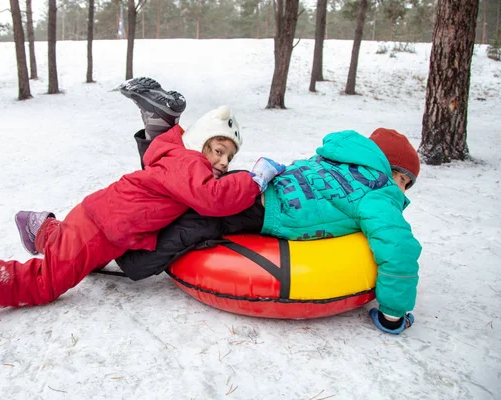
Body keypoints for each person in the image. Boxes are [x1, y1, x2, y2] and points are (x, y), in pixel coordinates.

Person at [0, 84, 287, 326]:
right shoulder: (190, 164)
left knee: (75, 249)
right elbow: (214, 199)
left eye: (230, 157)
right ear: (202, 142)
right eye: (219, 150)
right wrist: (254, 179)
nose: (224, 163)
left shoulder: (173, 154)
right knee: (45, 282)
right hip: (103, 230)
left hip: (98, 217)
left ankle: (40, 228)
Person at [112, 77, 422, 335]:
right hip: (264, 210)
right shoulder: (380, 192)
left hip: (252, 183)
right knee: (192, 226)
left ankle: (158, 137)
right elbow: (397, 247)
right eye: (404, 182)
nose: (403, 193)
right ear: (390, 171)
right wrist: (394, 313)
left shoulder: (335, 159)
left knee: (181, 191)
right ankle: (128, 262)